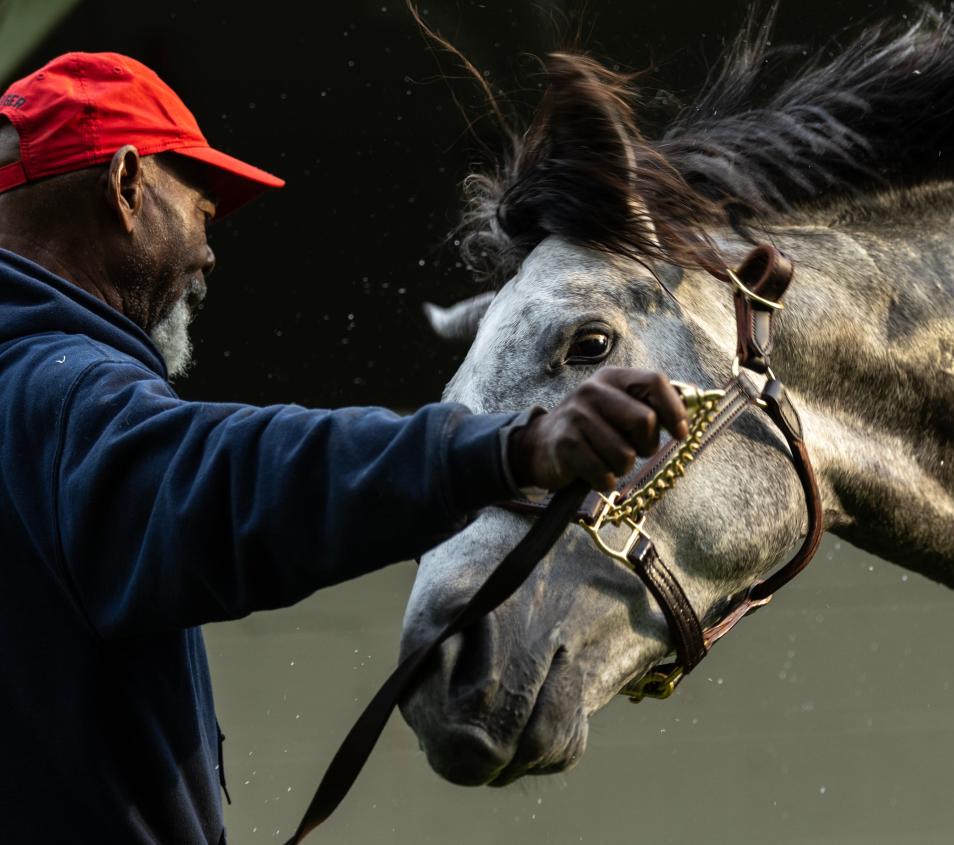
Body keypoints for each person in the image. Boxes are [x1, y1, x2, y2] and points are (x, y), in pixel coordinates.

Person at [0, 52, 688, 844]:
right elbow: (224, 477)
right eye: (201, 209)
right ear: (126, 187)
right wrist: (509, 449)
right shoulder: (50, 394)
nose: (209, 253)